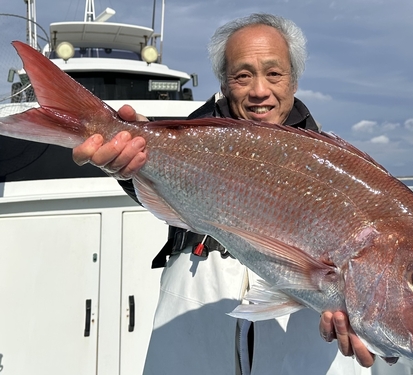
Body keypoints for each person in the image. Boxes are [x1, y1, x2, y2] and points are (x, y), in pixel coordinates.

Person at [73, 13, 375, 375]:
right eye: (242, 75)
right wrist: (126, 165)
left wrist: (369, 322)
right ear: (224, 83)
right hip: (193, 341)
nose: (260, 90)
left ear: (294, 81)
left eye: (274, 74)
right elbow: (164, 194)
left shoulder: (337, 169)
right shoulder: (189, 141)